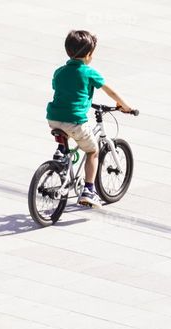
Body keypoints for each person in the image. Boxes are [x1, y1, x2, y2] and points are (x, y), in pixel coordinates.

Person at [46, 30, 134, 208]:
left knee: (67, 133)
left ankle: (61, 150)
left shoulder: (59, 71)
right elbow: (111, 91)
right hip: (76, 120)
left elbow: (58, 87)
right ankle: (88, 190)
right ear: (89, 54)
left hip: (53, 117)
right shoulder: (88, 72)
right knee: (92, 151)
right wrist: (126, 106)